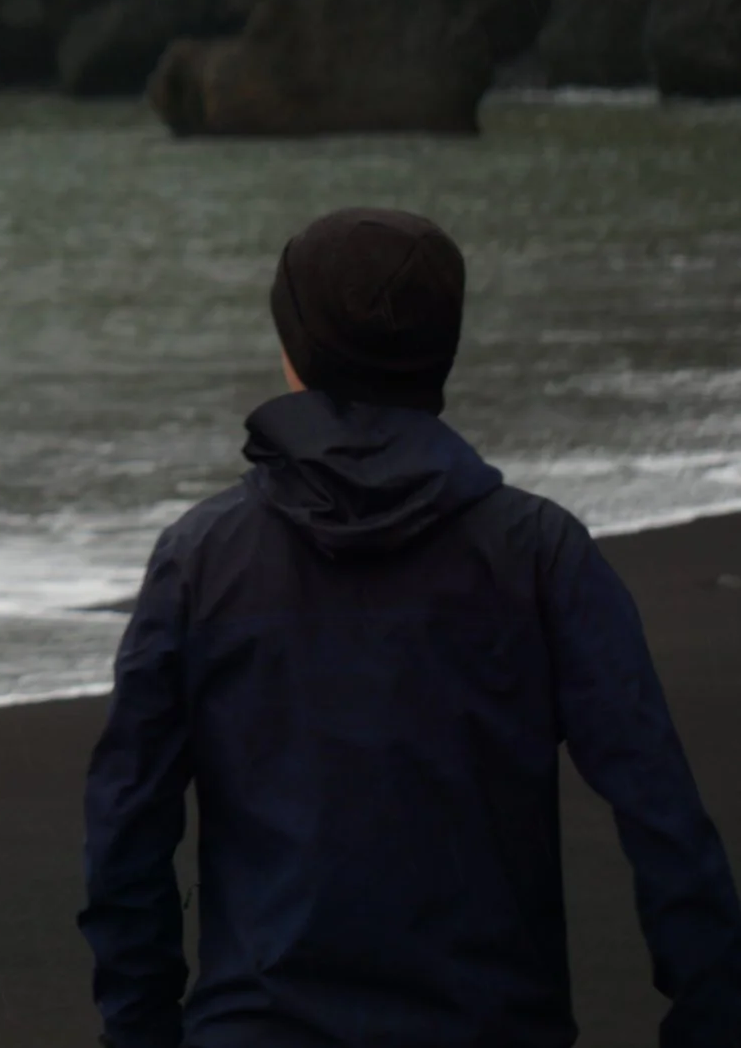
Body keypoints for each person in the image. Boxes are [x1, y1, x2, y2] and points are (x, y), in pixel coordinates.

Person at [78, 207, 741, 1047]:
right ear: (442, 354)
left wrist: (138, 1026)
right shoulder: (541, 555)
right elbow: (663, 817)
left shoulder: (200, 558)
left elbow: (127, 822)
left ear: (297, 353)